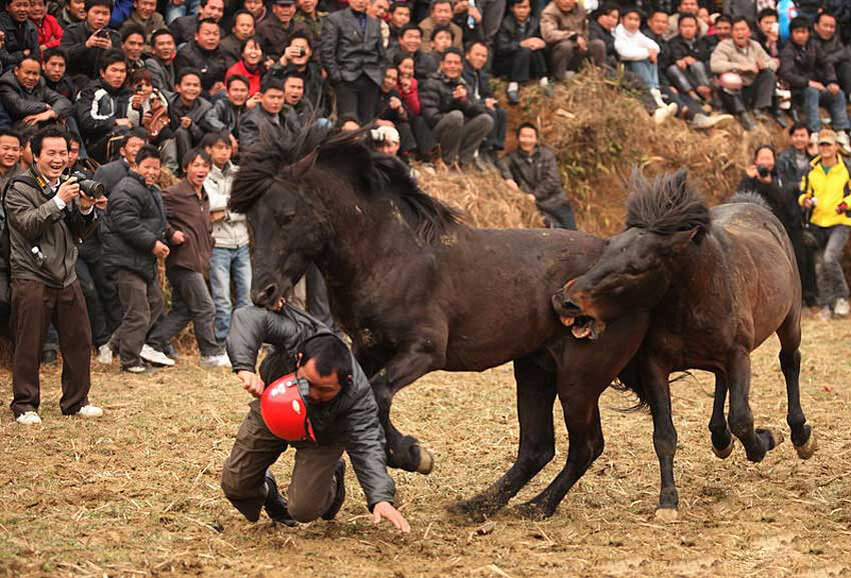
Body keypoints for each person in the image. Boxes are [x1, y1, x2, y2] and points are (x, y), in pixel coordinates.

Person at [221, 303, 410, 533]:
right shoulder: (298, 334)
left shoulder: (358, 397)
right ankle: (269, 494)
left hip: (322, 433)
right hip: (275, 407)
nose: (312, 394)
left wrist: (380, 498)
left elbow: (367, 444)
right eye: (307, 382)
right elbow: (248, 317)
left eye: (325, 390)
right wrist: (244, 366)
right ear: (299, 360)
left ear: (346, 380)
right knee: (236, 485)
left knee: (304, 510)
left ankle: (332, 481)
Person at [3, 126, 102, 425]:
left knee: (79, 340)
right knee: (29, 343)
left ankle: (75, 401)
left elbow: (79, 233)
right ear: (35, 155)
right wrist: (58, 200)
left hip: (66, 274)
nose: (59, 159)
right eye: (52, 153)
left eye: (64, 153)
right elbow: (27, 224)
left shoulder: (68, 184)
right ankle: (25, 405)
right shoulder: (19, 187)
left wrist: (84, 209)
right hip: (31, 274)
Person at [147, 148, 230, 367]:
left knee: (184, 310)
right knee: (205, 307)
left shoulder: (203, 195)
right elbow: (154, 211)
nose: (201, 170)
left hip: (197, 260)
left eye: (205, 166)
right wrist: (170, 232)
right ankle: (210, 353)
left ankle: (152, 344)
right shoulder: (175, 193)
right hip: (182, 261)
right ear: (185, 169)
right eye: (196, 165)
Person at [102, 144, 176, 371]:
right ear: (135, 165)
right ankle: (130, 360)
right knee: (138, 313)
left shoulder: (150, 189)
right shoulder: (126, 189)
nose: (152, 172)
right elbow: (126, 223)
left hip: (141, 260)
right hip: (125, 260)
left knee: (154, 303)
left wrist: (168, 235)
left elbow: (157, 221)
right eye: (147, 167)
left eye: (156, 167)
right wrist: (153, 243)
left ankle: (113, 344)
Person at [798, 129, 851, 320]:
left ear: (836, 146)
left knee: (830, 258)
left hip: (840, 222)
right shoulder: (811, 170)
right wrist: (804, 200)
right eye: (822, 144)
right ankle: (827, 305)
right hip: (817, 223)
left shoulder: (846, 168)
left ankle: (842, 297)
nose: (825, 148)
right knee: (820, 266)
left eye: (829, 144)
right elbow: (803, 192)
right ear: (818, 147)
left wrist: (846, 204)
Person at [203, 131, 249, 346]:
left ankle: (244, 340)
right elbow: (210, 204)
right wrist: (235, 203)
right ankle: (222, 343)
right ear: (209, 149)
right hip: (218, 244)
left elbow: (248, 205)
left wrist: (227, 211)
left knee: (246, 297)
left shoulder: (239, 174)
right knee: (222, 299)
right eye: (219, 147)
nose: (223, 152)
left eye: (227, 148)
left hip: (242, 242)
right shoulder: (204, 174)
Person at [779, 16, 851, 148]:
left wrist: (831, 81)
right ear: (792, 33)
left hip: (817, 88)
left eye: (804, 32)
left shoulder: (814, 45)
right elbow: (786, 73)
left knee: (838, 94)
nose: (801, 36)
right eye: (797, 32)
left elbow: (826, 63)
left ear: (809, 32)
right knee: (812, 92)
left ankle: (841, 130)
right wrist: (807, 82)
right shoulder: (787, 51)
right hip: (798, 91)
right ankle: (815, 131)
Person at [420, 47, 493, 169]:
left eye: (456, 63)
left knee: (486, 120)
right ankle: (447, 161)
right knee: (456, 116)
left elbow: (479, 110)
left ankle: (462, 163)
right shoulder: (431, 82)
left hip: (458, 131)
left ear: (461, 66)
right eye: (449, 63)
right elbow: (431, 117)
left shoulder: (463, 84)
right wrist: (452, 101)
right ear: (442, 64)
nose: (452, 66)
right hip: (436, 133)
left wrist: (463, 101)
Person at [498, 122, 576, 229]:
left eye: (530, 137)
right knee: (554, 233)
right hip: (539, 207)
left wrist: (535, 195)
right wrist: (509, 179)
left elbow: (553, 180)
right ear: (518, 138)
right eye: (523, 136)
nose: (527, 140)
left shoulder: (547, 155)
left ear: (536, 139)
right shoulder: (513, 157)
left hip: (557, 201)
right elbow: (502, 164)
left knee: (572, 234)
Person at [320, 0, 385, 126]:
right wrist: (336, 76)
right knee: (348, 124)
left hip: (371, 78)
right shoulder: (335, 19)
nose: (360, 1)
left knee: (367, 125)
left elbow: (381, 53)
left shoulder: (374, 23)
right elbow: (327, 51)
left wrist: (380, 74)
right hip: (346, 77)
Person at [775, 124, 819, 305]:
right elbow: (783, 185)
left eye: (803, 135)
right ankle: (799, 296)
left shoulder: (815, 157)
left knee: (813, 254)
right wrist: (800, 187)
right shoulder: (784, 158)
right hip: (792, 211)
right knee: (798, 255)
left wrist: (815, 154)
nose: (800, 139)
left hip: (812, 212)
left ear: (809, 137)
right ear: (791, 138)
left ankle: (812, 295)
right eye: (796, 135)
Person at [710, 17, 778, 131]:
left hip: (752, 88)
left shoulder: (755, 45)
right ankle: (742, 114)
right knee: (729, 79)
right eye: (736, 30)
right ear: (731, 32)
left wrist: (764, 65)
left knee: (768, 74)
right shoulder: (724, 45)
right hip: (735, 90)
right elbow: (715, 65)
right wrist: (741, 67)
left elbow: (773, 64)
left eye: (743, 29)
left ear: (749, 32)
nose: (740, 33)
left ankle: (759, 109)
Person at [76, 48, 132, 163]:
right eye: (114, 70)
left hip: (122, 137)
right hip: (94, 143)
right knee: (121, 132)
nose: (118, 75)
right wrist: (114, 122)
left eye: (122, 71)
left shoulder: (127, 93)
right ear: (102, 72)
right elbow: (87, 121)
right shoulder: (90, 92)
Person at [495, 0, 549, 105]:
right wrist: (520, 44)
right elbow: (502, 47)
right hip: (510, 62)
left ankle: (544, 81)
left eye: (525, 7)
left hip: (531, 62)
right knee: (524, 50)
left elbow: (544, 43)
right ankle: (513, 85)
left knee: (535, 50)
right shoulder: (505, 24)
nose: (522, 11)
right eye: (519, 7)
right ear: (512, 9)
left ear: (530, 8)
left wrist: (542, 44)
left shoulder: (535, 23)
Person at [462, 41, 506, 167]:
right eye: (477, 55)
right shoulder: (463, 71)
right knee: (490, 112)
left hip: (480, 103)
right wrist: (483, 103)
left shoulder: (481, 74)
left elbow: (487, 93)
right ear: (467, 55)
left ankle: (494, 149)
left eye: (484, 56)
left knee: (501, 113)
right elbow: (468, 96)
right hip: (469, 106)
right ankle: (484, 148)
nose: (481, 59)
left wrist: (491, 100)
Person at [540, 0, 604, 81]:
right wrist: (572, 36)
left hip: (578, 50)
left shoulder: (580, 8)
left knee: (598, 44)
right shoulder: (549, 11)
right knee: (566, 45)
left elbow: (585, 29)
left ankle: (595, 77)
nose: (567, 2)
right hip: (557, 53)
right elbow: (548, 34)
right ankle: (558, 78)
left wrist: (584, 41)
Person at [0, 55, 72, 126]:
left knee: (68, 119)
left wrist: (51, 113)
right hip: (18, 125)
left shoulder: (40, 82)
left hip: (40, 120)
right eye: (27, 72)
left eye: (35, 74)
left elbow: (63, 100)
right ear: (16, 71)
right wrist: (45, 106)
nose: (31, 78)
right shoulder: (7, 83)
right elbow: (19, 106)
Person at [59, 0, 122, 79]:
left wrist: (110, 50)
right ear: (86, 13)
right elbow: (63, 56)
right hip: (74, 81)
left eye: (105, 14)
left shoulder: (114, 36)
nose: (100, 18)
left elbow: (121, 64)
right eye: (96, 13)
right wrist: (85, 46)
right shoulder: (72, 31)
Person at [169, 68, 213, 169]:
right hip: (173, 145)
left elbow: (204, 136)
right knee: (180, 132)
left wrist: (191, 126)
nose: (192, 88)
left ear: (201, 89)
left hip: (197, 146)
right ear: (178, 87)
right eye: (187, 85)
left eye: (195, 85)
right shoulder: (169, 103)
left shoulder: (206, 107)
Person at [174, 18, 229, 98]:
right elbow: (184, 87)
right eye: (207, 34)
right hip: (195, 96)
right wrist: (208, 93)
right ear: (196, 36)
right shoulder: (185, 55)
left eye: (215, 34)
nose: (212, 38)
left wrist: (222, 84)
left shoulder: (222, 50)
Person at [238, 75, 293, 149]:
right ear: (261, 97)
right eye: (272, 97)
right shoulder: (251, 120)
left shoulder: (288, 112)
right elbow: (251, 149)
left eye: (280, 98)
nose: (276, 102)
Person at [0, 0, 41, 71]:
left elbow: (36, 55)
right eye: (18, 5)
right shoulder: (1, 24)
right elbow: (3, 57)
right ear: (7, 7)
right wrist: (22, 54)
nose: (22, 9)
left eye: (26, 5)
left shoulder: (32, 27)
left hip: (28, 67)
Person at [145, 28, 177, 96]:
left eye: (169, 43)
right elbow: (160, 91)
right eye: (161, 44)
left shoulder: (176, 62)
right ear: (153, 49)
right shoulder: (151, 64)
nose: (166, 47)